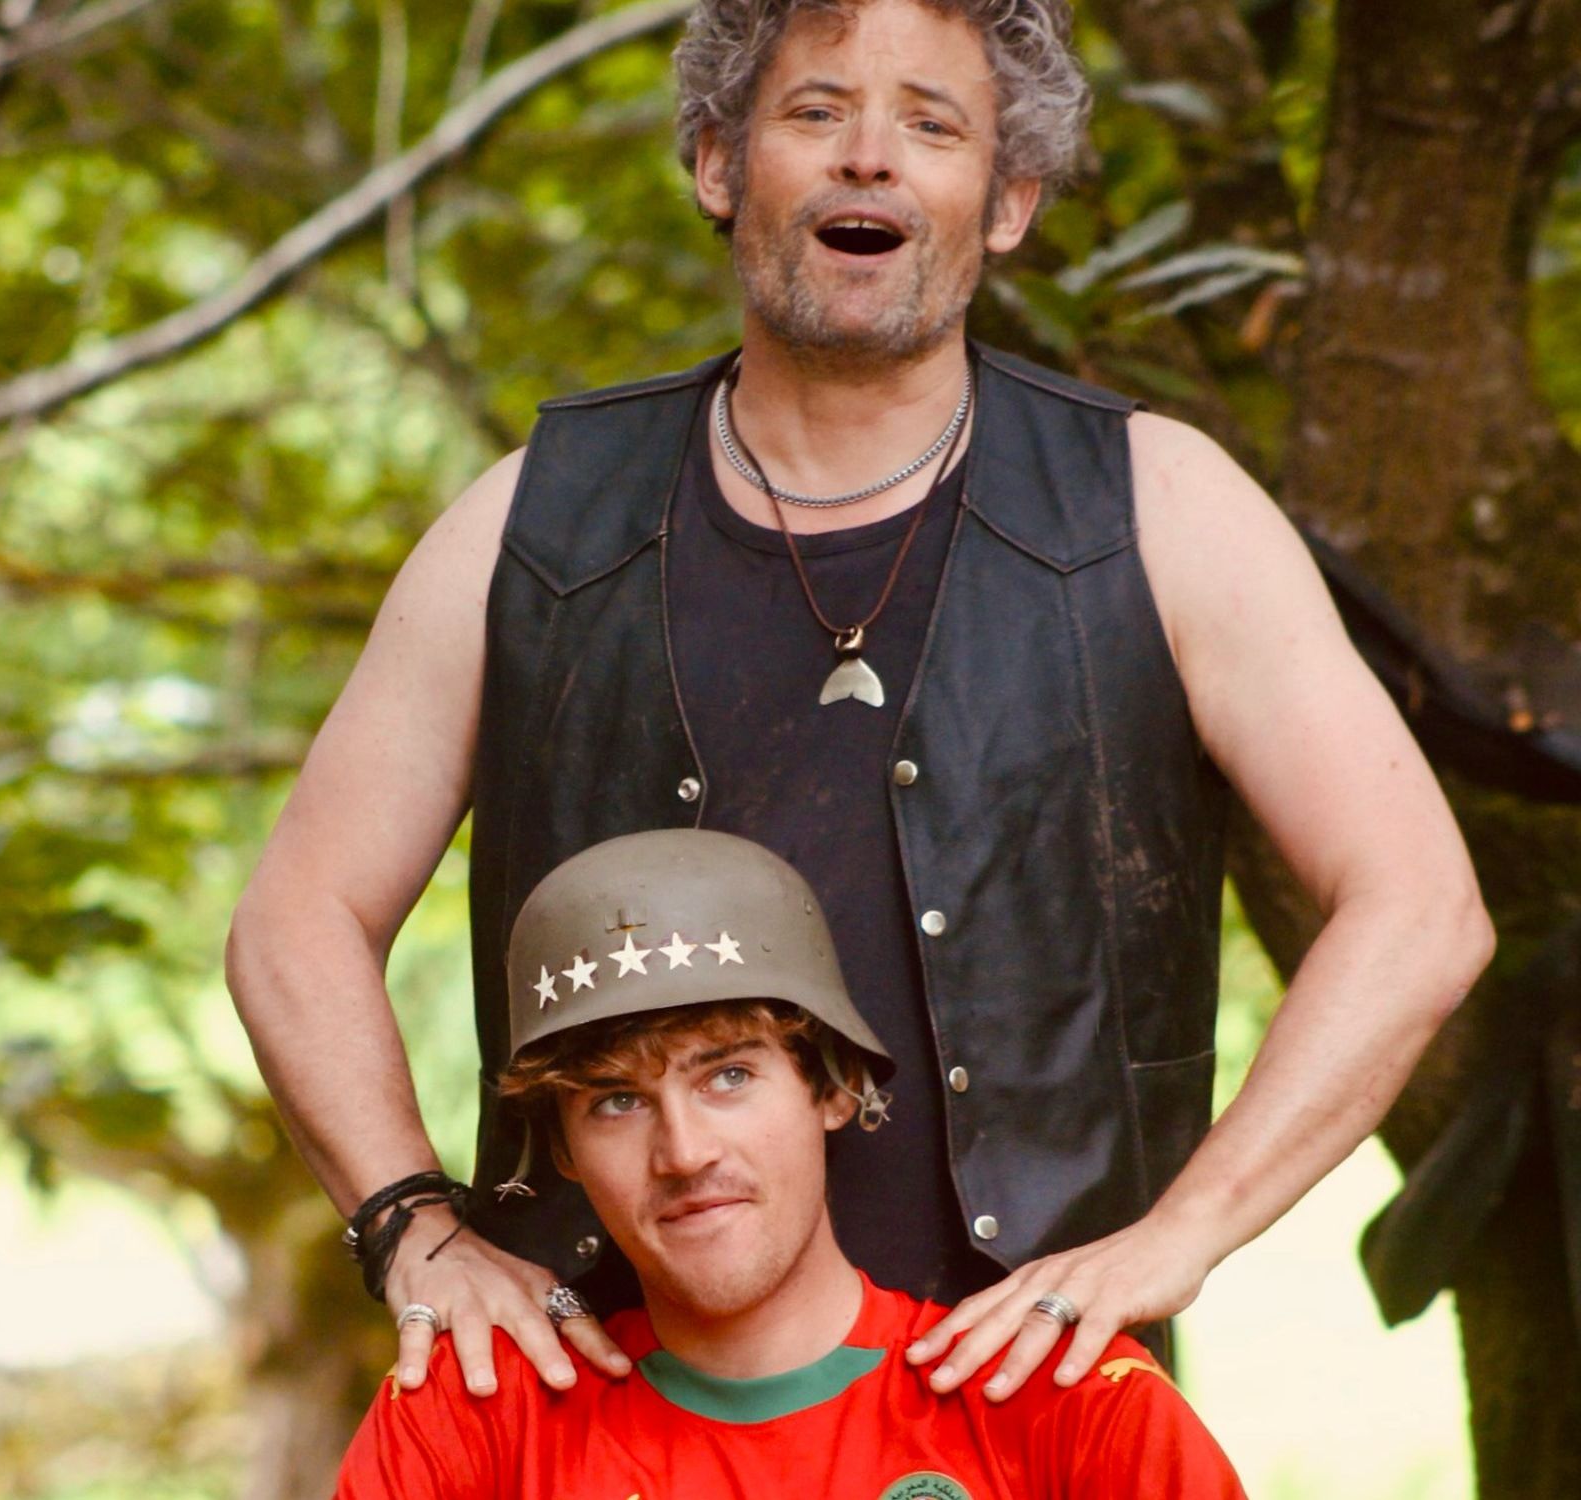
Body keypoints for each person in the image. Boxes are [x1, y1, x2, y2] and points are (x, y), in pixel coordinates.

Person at [229, 0, 1493, 1409]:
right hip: (605, 1418)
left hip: (1029, 1418)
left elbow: (1419, 906)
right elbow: (297, 917)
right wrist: (412, 1224)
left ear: (1008, 202)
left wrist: (1182, 1234)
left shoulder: (1161, 506)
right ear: (718, 163)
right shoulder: (533, 523)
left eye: (932, 123)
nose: (871, 158)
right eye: (817, 110)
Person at [335, 830, 1248, 1497]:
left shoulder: (1071, 1410)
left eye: (728, 1075)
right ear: (564, 1150)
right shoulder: (473, 1420)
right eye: (616, 1100)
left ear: (833, 1086)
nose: (684, 1153)